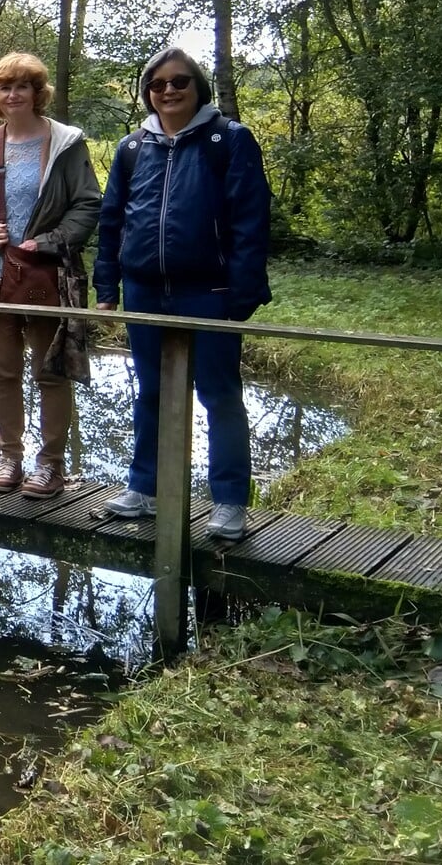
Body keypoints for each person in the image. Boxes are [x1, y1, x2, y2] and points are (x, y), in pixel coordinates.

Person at [95, 47, 271, 541]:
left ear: (198, 87)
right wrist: (107, 285)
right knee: (149, 392)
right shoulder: (133, 148)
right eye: (158, 84)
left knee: (219, 394)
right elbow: (112, 221)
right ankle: (144, 488)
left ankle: (230, 501)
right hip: (145, 291)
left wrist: (240, 296)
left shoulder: (228, 141)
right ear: (147, 91)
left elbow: (251, 221)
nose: (168, 91)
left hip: (209, 291)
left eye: (179, 82)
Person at [0, 52, 102, 499]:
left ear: (37, 93)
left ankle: (51, 466)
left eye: (22, 86)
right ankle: (10, 457)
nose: (13, 94)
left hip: (47, 276)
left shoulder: (65, 143)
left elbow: (88, 202)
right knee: (3, 374)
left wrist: (55, 239)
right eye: (5, 87)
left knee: (50, 372)